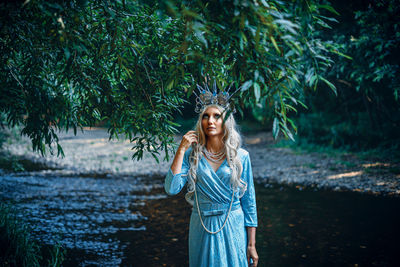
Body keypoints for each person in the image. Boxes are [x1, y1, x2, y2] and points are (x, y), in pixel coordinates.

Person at [164, 81, 259, 267]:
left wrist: (251, 245)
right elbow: (171, 188)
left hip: (233, 224)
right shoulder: (192, 155)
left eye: (217, 116)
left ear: (226, 121)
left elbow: (249, 203)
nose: (210, 121)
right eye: (205, 116)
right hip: (202, 224)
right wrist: (181, 149)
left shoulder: (241, 157)